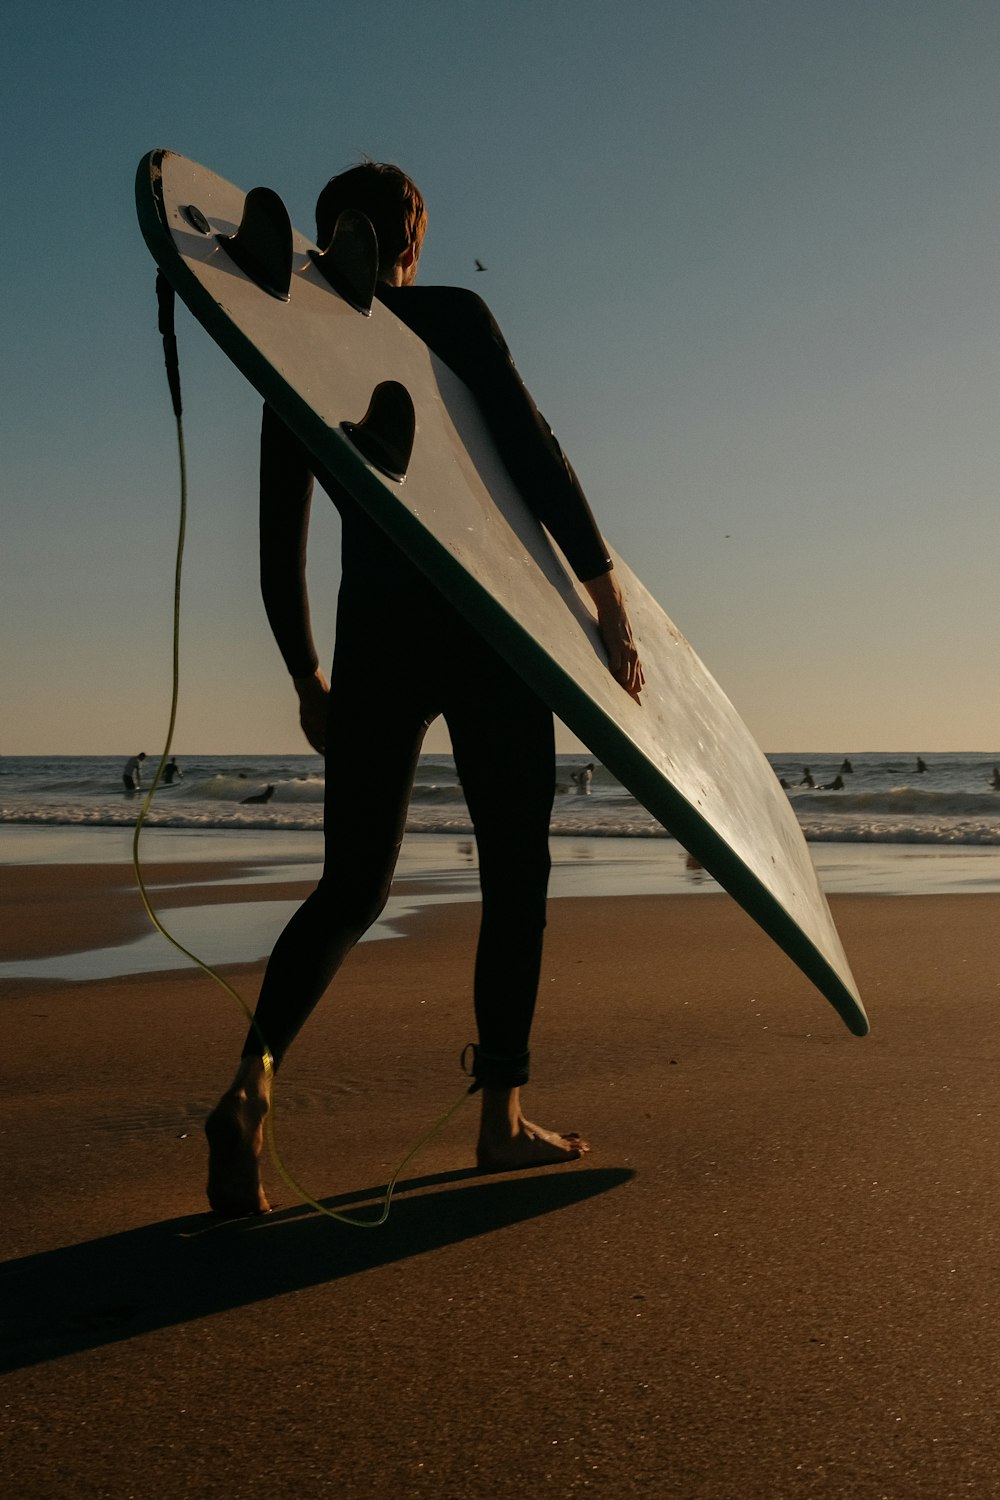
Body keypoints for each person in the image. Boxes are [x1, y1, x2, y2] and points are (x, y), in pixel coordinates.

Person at [205, 162, 644, 1216]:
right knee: (513, 875)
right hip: (487, 629)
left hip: (376, 640)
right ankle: (499, 1123)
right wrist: (603, 592)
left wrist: (303, 670)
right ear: (415, 241)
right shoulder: (452, 314)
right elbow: (534, 449)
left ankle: (248, 1088)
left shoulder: (296, 349)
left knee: (352, 886)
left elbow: (278, 542)